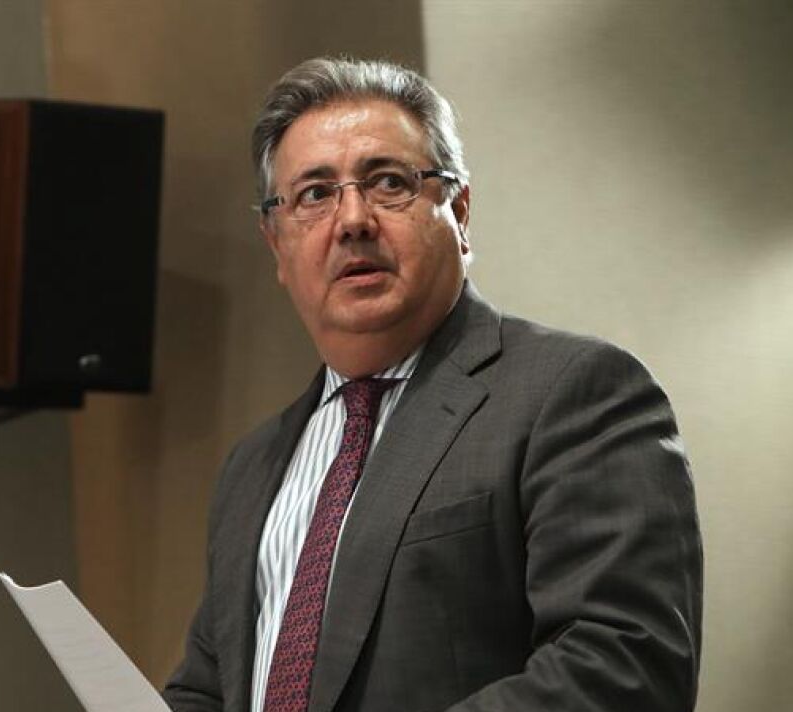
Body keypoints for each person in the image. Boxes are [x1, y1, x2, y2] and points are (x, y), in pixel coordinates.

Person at [163, 56, 703, 712]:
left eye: (388, 182)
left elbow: (625, 667)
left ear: (460, 213)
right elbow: (210, 688)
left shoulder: (573, 393)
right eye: (315, 195)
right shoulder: (251, 467)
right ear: (276, 245)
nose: (353, 219)